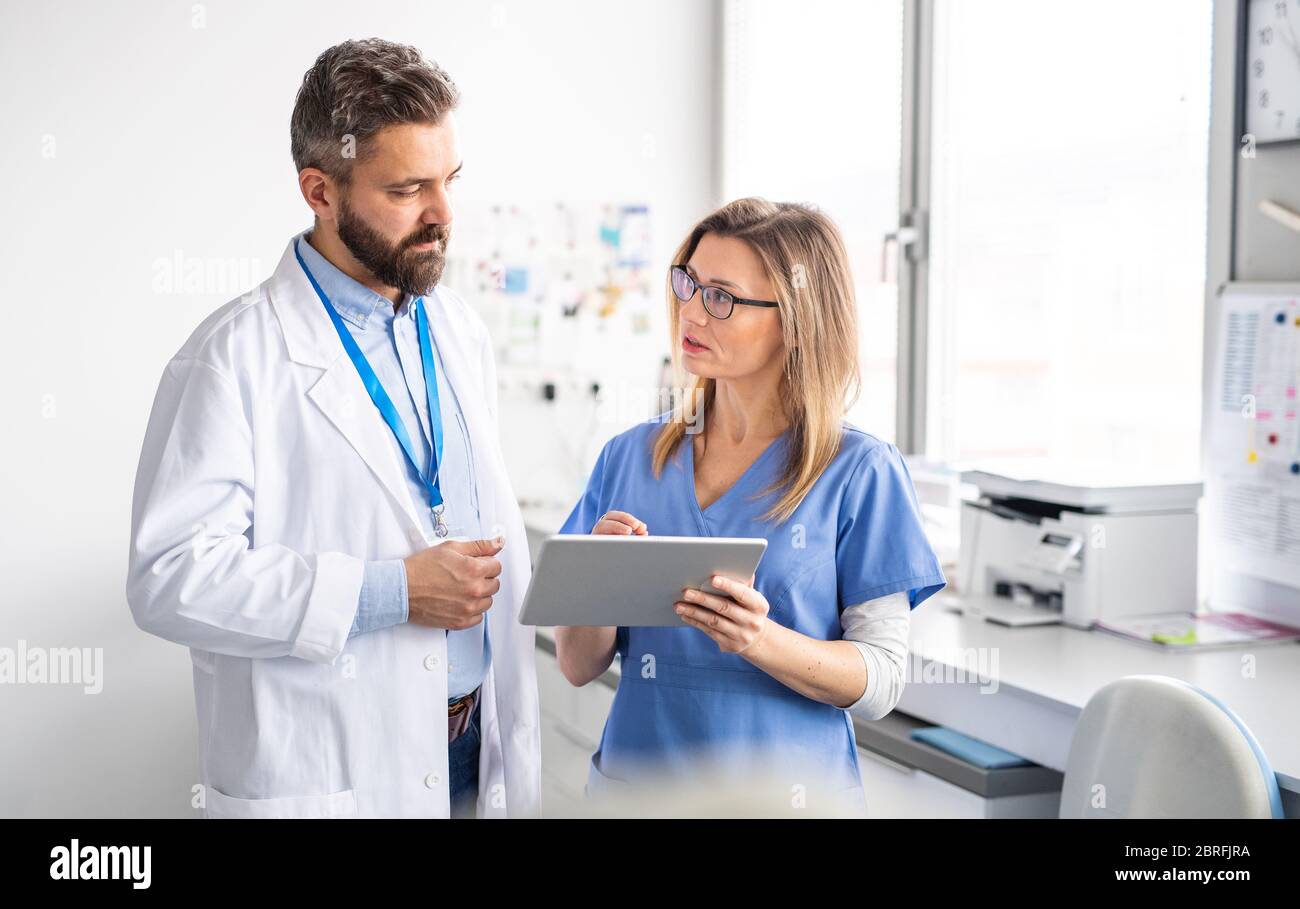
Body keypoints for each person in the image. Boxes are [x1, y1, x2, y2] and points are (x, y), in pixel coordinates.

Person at [126, 38, 539, 819]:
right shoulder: (232, 357)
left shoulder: (455, 329)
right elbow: (168, 577)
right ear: (320, 189)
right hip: (338, 767)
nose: (443, 215)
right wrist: (393, 590)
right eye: (409, 188)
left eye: (449, 181)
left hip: (470, 749)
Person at [554, 198, 946, 816]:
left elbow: (881, 680)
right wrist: (602, 581)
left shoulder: (859, 471)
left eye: (722, 297)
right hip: (637, 792)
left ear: (795, 322)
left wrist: (757, 640)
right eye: (688, 284)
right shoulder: (629, 458)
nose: (690, 311)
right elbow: (577, 665)